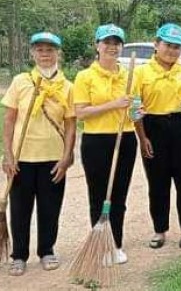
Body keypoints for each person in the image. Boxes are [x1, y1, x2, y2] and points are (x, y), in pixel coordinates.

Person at [2, 32, 76, 276]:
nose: (45, 54)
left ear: (58, 54)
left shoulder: (67, 87)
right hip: (22, 158)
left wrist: (67, 156)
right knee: (20, 209)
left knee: (50, 207)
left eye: (50, 50)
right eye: (40, 50)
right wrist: (8, 155)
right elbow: (10, 120)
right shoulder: (21, 81)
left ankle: (47, 250)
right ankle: (19, 255)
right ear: (32, 53)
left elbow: (71, 125)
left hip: (53, 158)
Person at [73, 24, 138, 263]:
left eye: (116, 42)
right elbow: (81, 113)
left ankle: (116, 244)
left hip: (125, 137)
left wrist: (136, 111)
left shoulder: (131, 74)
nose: (112, 47)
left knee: (119, 195)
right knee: (99, 195)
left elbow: (134, 111)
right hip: (96, 140)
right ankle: (100, 246)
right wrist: (113, 104)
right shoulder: (85, 76)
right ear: (97, 45)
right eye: (107, 42)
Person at [133, 23, 181, 249]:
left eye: (177, 47)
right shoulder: (141, 72)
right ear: (156, 44)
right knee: (157, 182)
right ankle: (159, 230)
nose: (172, 51)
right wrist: (143, 138)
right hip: (153, 127)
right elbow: (135, 108)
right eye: (168, 45)